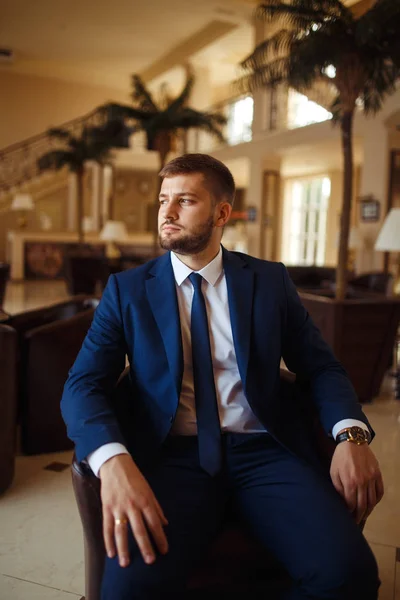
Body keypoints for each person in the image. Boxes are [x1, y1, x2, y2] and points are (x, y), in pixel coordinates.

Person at [61, 153, 383, 600]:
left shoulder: (269, 282)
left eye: (185, 201)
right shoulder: (127, 290)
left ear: (222, 213)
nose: (167, 213)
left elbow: (320, 366)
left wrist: (351, 436)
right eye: (163, 200)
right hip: (171, 455)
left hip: (265, 451)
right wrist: (113, 461)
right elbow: (83, 385)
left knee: (349, 574)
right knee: (127, 590)